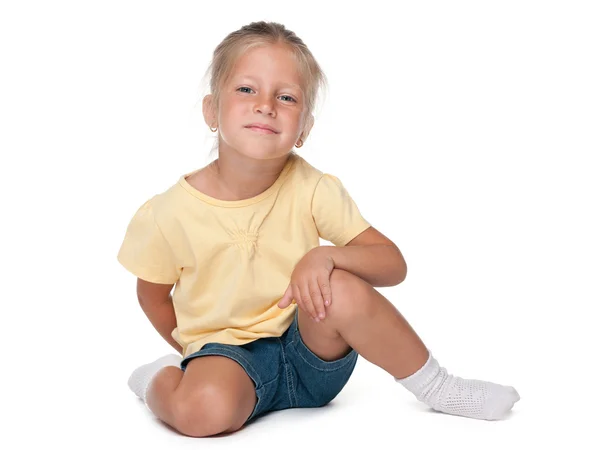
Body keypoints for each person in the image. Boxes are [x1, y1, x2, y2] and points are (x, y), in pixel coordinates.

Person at [117, 21, 520, 437]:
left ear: (304, 128)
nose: (265, 105)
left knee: (341, 284)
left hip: (313, 353)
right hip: (225, 356)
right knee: (203, 413)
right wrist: (196, 354)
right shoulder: (167, 213)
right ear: (211, 111)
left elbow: (392, 265)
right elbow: (152, 295)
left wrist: (327, 255)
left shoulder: (313, 189)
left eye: (286, 97)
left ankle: (438, 387)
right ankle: (158, 380)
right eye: (246, 89)